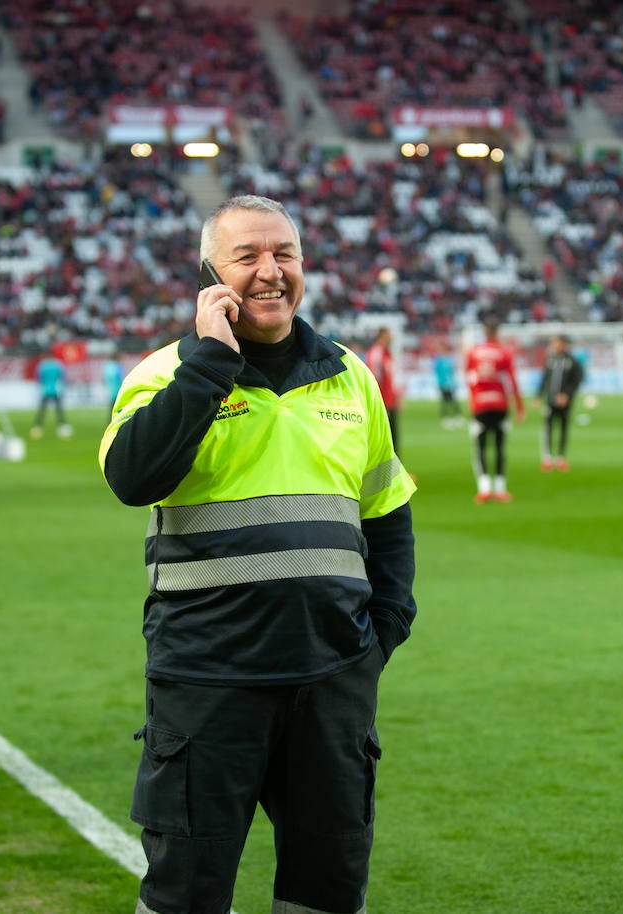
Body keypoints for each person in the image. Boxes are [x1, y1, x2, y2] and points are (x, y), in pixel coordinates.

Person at [99, 195, 418, 914]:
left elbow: (388, 514)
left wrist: (382, 635)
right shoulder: (163, 373)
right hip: (208, 680)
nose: (270, 272)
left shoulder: (349, 376)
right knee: (188, 894)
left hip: (331, 682)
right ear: (209, 274)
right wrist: (210, 364)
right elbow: (133, 478)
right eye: (247, 257)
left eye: (285, 254)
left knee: (327, 891)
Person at [464, 318, 524, 503]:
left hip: (480, 405)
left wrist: (472, 400)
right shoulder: (504, 353)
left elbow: (469, 378)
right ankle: (500, 489)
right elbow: (511, 381)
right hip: (499, 405)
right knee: (499, 446)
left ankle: (484, 489)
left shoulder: (474, 353)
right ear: (497, 333)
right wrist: (519, 406)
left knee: (480, 446)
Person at [537, 333, 585, 472]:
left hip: (566, 402)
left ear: (565, 344)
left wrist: (566, 395)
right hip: (550, 401)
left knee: (563, 428)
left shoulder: (572, 361)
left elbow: (577, 380)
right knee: (548, 429)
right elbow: (545, 378)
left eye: (558, 343)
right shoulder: (550, 359)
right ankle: (546, 458)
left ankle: (561, 458)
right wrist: (539, 395)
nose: (555, 345)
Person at [364, 325, 401, 451]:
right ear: (382, 336)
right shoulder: (376, 353)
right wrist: (378, 402)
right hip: (383, 401)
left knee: (393, 437)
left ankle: (396, 469)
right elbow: (373, 377)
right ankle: (387, 469)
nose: (391, 338)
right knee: (385, 438)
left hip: (390, 400)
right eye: (388, 335)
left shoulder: (387, 353)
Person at [30, 350, 69, 439]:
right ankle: (62, 427)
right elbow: (63, 377)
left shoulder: (42, 366)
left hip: (45, 390)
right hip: (57, 390)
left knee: (42, 411)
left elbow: (38, 379)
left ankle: (38, 427)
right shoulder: (58, 364)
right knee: (59, 410)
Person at [432, 341, 462, 428]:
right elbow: (437, 373)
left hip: (450, 384)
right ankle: (446, 418)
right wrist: (439, 383)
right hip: (442, 384)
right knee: (444, 401)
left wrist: (454, 382)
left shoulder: (449, 360)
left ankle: (457, 417)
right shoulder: (438, 360)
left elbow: (452, 372)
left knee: (453, 400)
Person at [102, 356, 125, 420]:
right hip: (118, 391)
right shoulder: (117, 366)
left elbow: (105, 378)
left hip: (111, 391)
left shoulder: (107, 366)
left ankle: (111, 423)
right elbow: (121, 379)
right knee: (119, 410)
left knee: (112, 410)